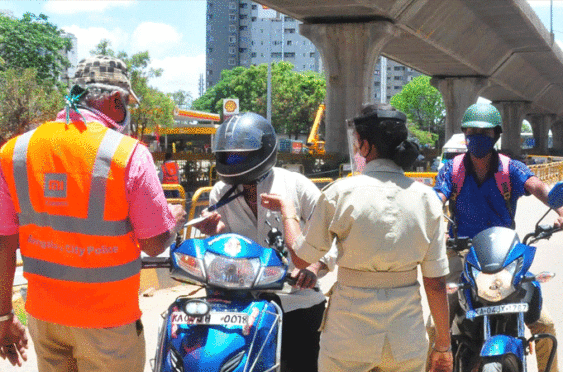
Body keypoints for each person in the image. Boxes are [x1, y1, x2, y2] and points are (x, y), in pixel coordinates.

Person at [0, 54, 186, 371]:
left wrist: (2, 317)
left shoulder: (17, 152)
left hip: (45, 320)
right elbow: (153, 243)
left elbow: (1, 243)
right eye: (125, 103)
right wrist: (173, 221)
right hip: (109, 323)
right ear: (113, 99)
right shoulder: (128, 155)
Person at [261, 103, 453, 372]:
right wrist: (443, 346)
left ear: (364, 146)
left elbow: (301, 257)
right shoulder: (427, 200)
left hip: (348, 337)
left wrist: (288, 211)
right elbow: (435, 284)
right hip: (404, 338)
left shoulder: (340, 193)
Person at [194, 112, 336, 372]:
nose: (233, 160)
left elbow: (331, 235)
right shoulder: (219, 192)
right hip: (244, 305)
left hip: (298, 303)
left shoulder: (296, 185)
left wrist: (313, 268)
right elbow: (223, 249)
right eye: (228, 155)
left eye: (240, 155)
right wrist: (215, 233)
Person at [433, 102, 563, 372]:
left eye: (485, 132)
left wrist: (560, 207)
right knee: (433, 328)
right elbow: (437, 198)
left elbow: (537, 186)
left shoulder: (510, 169)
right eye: (471, 131)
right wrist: (426, 215)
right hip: (463, 254)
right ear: (465, 134)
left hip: (505, 257)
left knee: (545, 325)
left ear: (496, 135)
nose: (477, 137)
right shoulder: (451, 169)